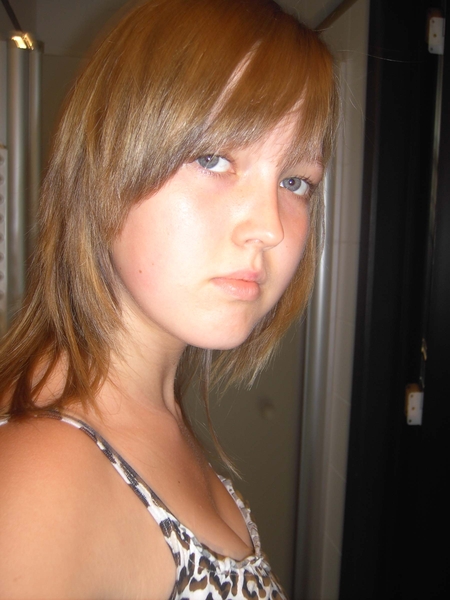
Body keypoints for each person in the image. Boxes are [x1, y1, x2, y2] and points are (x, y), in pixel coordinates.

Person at [0, 0, 338, 597]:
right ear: (104, 167)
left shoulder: (144, 412)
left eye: (295, 181)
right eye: (213, 159)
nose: (270, 227)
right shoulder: (43, 479)